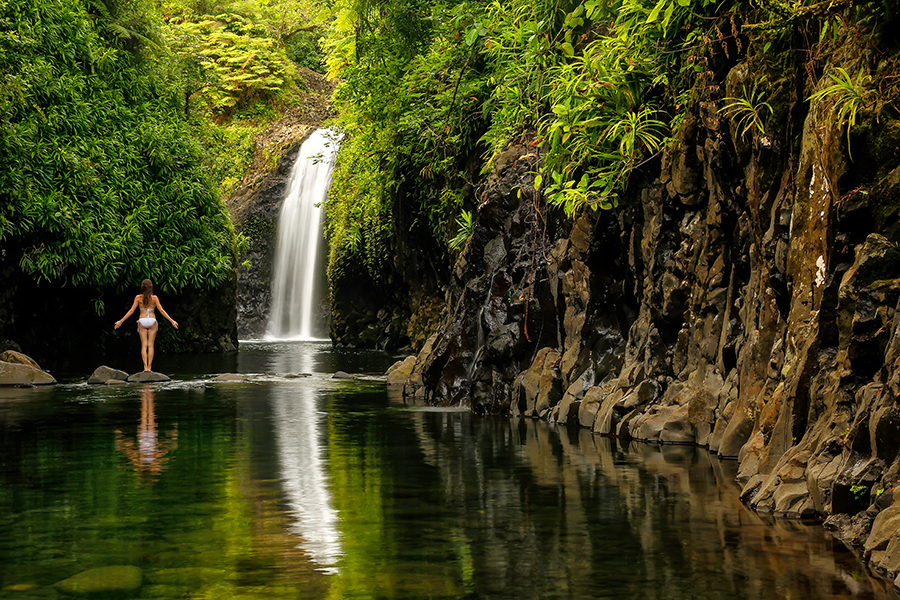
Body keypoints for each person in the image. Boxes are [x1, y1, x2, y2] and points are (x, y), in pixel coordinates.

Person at [114, 279, 178, 372]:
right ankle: (150, 367)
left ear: (142, 287)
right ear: (151, 287)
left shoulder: (138, 298)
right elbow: (162, 311)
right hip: (152, 320)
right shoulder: (154, 298)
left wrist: (121, 321)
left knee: (144, 345)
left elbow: (131, 311)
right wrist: (172, 321)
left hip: (142, 320)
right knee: (150, 345)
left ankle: (145, 367)